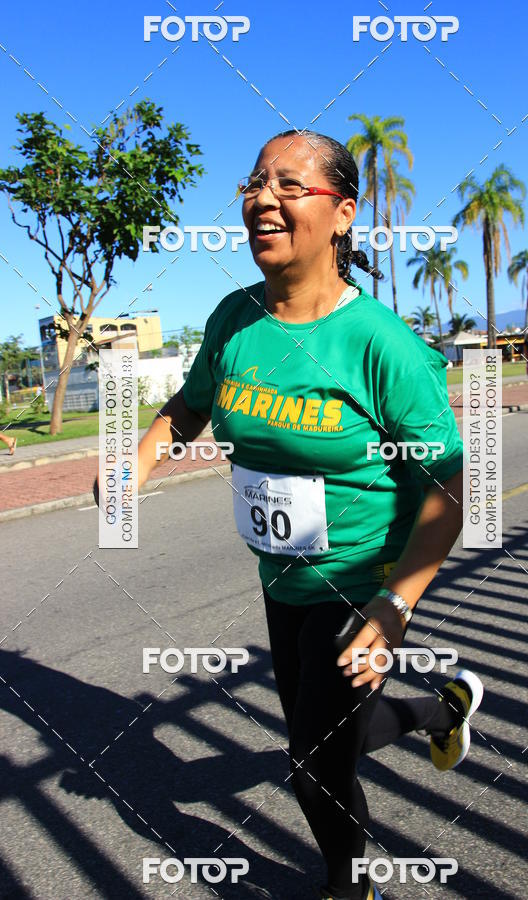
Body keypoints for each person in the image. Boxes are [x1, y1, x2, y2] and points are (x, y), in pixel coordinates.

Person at [94, 130, 483, 900]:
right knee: (329, 741)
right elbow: (189, 404)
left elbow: (448, 491)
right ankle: (442, 707)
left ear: (342, 214)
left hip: (358, 583)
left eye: (289, 185)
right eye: (254, 182)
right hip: (282, 579)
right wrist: (134, 462)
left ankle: (350, 889)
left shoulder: (381, 345)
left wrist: (396, 602)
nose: (263, 198)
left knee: (311, 767)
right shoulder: (235, 319)